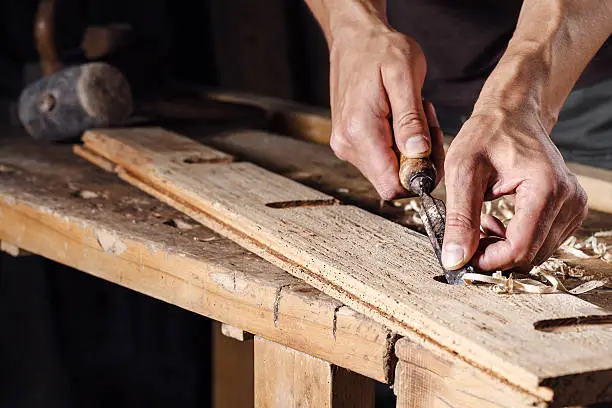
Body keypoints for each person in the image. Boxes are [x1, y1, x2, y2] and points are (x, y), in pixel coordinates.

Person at [303, 0, 612, 273]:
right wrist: (351, 21)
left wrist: (518, 95)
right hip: (418, 74)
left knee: (551, 207)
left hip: (579, 69)